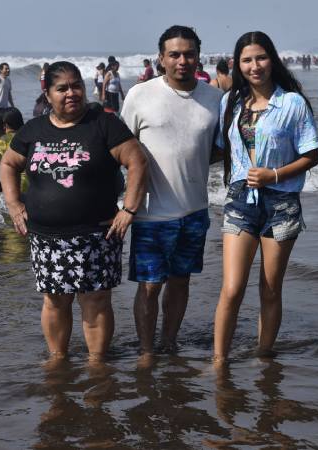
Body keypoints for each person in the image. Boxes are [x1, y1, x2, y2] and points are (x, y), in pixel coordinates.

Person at [0, 61, 148, 361]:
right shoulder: (35, 129)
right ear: (48, 93)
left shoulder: (103, 123)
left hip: (97, 233)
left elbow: (137, 162)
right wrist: (14, 205)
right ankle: (58, 360)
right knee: (55, 301)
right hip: (46, 236)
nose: (71, 93)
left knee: (95, 301)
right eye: (62, 88)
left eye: (76, 85)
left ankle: (97, 364)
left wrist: (128, 209)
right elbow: (8, 164)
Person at [213, 31, 318, 365]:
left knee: (270, 289)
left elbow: (312, 154)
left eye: (260, 58)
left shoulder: (292, 102)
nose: (255, 66)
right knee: (232, 289)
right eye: (247, 60)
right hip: (240, 201)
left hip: (281, 203)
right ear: (238, 64)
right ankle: (218, 361)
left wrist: (274, 175)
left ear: (272, 59)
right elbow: (221, 149)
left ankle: (263, 356)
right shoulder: (229, 101)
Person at [119, 25, 222, 362]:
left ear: (198, 57)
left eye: (189, 54)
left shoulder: (214, 98)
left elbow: (218, 149)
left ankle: (169, 342)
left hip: (194, 211)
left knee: (181, 281)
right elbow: (120, 149)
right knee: (149, 286)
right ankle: (147, 351)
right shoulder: (140, 95)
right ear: (161, 59)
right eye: (174, 54)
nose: (182, 60)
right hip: (151, 214)